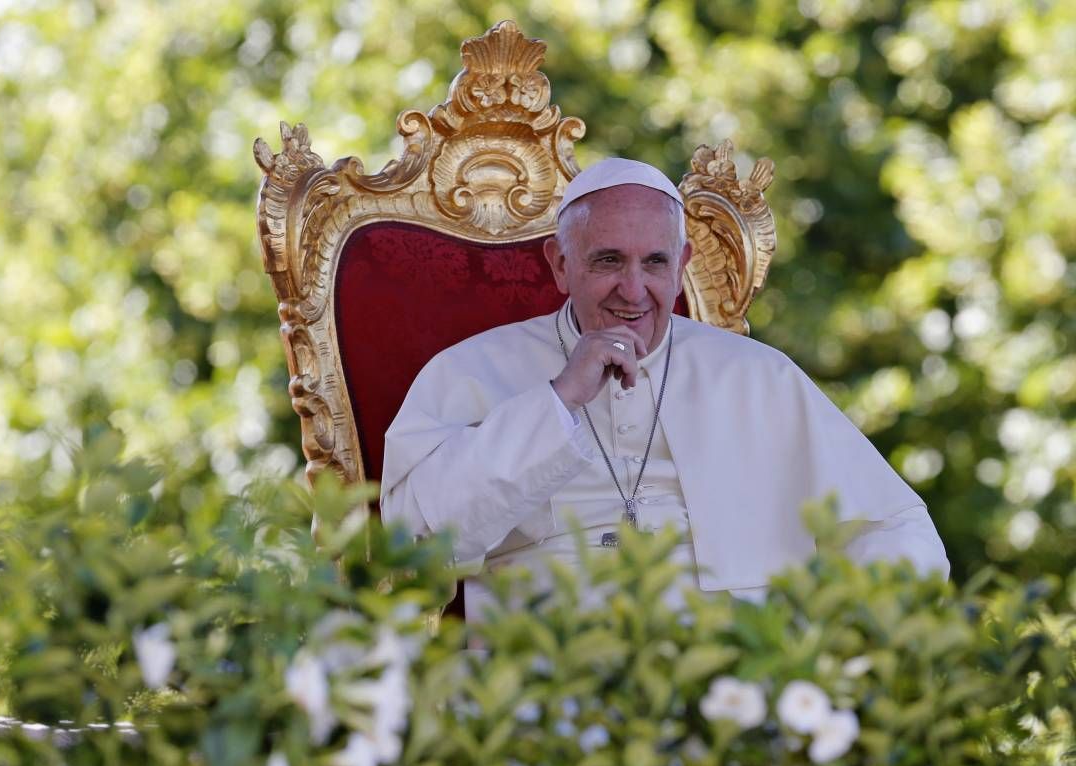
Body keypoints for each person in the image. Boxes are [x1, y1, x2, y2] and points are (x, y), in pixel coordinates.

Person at [379, 158, 950, 621]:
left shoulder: (758, 378)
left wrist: (850, 645)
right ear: (560, 264)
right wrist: (558, 400)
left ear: (681, 265)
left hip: (735, 682)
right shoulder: (469, 372)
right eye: (608, 261)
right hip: (548, 683)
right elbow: (411, 549)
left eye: (654, 263)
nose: (633, 290)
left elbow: (895, 527)